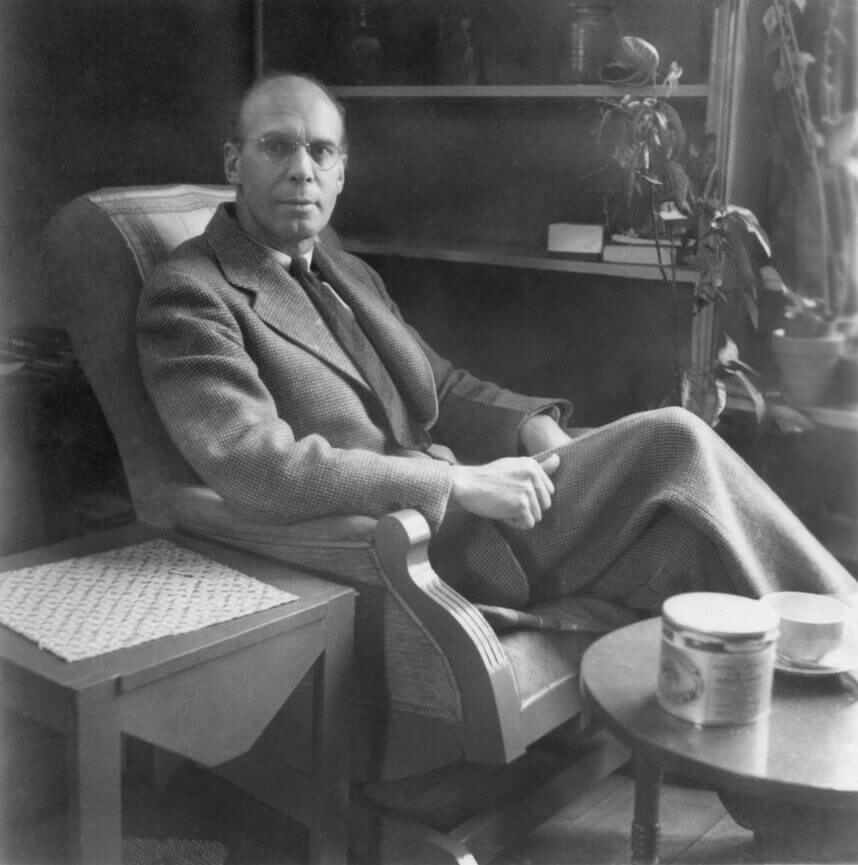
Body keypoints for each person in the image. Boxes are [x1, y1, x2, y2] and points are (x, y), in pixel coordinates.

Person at [137, 73, 855, 616]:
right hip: (411, 546)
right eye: (276, 146)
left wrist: (527, 425)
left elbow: (437, 386)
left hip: (481, 518)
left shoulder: (344, 268)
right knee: (675, 438)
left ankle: (797, 794)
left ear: (342, 172)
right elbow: (260, 468)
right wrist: (455, 483)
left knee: (696, 553)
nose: (302, 168)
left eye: (321, 150)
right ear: (234, 162)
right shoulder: (192, 292)